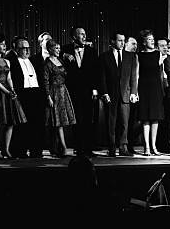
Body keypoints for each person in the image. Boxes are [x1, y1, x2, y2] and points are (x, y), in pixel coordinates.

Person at [98, 32, 139, 157]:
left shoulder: (130, 56)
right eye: (119, 40)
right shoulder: (104, 56)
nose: (122, 43)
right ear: (112, 42)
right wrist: (104, 92)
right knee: (111, 122)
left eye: (123, 40)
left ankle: (123, 147)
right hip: (111, 94)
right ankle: (111, 147)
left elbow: (133, 77)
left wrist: (133, 92)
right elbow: (102, 77)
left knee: (124, 122)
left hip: (125, 94)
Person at [62, 27, 99, 156]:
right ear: (74, 37)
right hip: (72, 90)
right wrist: (64, 55)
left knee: (88, 119)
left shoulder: (92, 51)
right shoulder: (64, 49)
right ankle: (78, 148)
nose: (84, 36)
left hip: (88, 91)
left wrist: (95, 89)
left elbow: (96, 72)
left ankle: (88, 148)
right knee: (76, 120)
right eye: (81, 34)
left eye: (85, 34)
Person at [8, 37, 46, 158]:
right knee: (22, 125)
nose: (27, 51)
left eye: (28, 48)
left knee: (37, 124)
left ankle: (36, 151)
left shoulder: (34, 60)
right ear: (16, 49)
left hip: (35, 94)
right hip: (22, 95)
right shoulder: (12, 62)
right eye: (23, 48)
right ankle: (20, 151)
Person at [44, 40, 77, 157]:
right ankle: (62, 146)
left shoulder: (60, 60)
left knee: (62, 121)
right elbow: (45, 81)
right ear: (50, 49)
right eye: (56, 48)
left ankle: (60, 147)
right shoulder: (47, 63)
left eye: (59, 48)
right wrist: (48, 96)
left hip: (63, 91)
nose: (58, 50)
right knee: (56, 122)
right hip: (54, 92)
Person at [137, 30, 167, 156]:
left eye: (152, 39)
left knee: (155, 118)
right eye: (149, 39)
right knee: (146, 119)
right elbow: (137, 74)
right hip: (144, 89)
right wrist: (136, 91)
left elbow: (162, 72)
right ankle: (147, 147)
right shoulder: (139, 55)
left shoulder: (157, 54)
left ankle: (154, 146)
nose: (152, 41)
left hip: (156, 89)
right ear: (144, 42)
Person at [125, 36, 140, 153]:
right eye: (133, 44)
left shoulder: (136, 57)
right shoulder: (123, 56)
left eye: (136, 44)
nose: (135, 46)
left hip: (136, 92)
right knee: (126, 121)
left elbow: (136, 76)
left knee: (134, 121)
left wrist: (135, 92)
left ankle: (131, 144)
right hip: (126, 92)